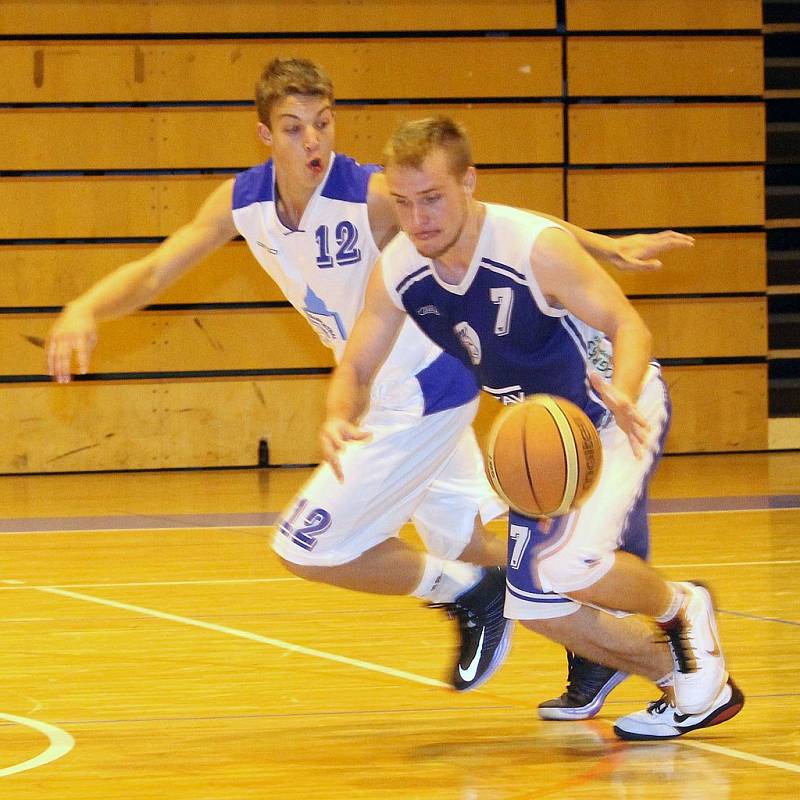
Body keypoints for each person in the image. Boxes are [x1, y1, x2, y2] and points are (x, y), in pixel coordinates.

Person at [47, 57, 691, 707]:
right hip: (378, 391)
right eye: (294, 128)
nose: (313, 142)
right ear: (265, 135)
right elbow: (158, 270)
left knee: (309, 547)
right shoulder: (242, 202)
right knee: (473, 541)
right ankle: (592, 648)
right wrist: (85, 308)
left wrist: (602, 247)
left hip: (421, 390)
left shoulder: (368, 193)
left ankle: (472, 594)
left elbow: (483, 215)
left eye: (323, 123)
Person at [320, 115, 745, 740]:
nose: (418, 220)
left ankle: (683, 607)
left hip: (614, 413)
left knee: (568, 566)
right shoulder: (402, 267)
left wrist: (623, 392)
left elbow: (630, 327)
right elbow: (357, 362)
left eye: (433, 199)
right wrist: (336, 414)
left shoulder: (533, 247)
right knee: (531, 601)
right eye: (404, 204)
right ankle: (673, 681)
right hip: (548, 438)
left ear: (470, 183)